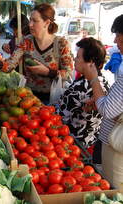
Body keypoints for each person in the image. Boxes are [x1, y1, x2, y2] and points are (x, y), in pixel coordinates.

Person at [0, 3, 74, 104]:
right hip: (28, 98)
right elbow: (9, 66)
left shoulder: (61, 44)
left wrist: (47, 72)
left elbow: (68, 74)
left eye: (35, 21)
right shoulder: (26, 41)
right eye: (30, 20)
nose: (30, 24)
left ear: (46, 23)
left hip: (54, 99)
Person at [82, 14, 123, 188]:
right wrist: (102, 96)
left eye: (119, 35)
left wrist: (94, 80)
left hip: (117, 150)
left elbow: (107, 110)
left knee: (115, 191)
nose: (115, 40)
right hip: (114, 145)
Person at [56, 37, 110, 150]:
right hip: (91, 142)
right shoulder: (103, 82)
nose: (74, 59)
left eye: (78, 57)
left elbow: (59, 117)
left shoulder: (80, 87)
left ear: (90, 62)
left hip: (72, 145)